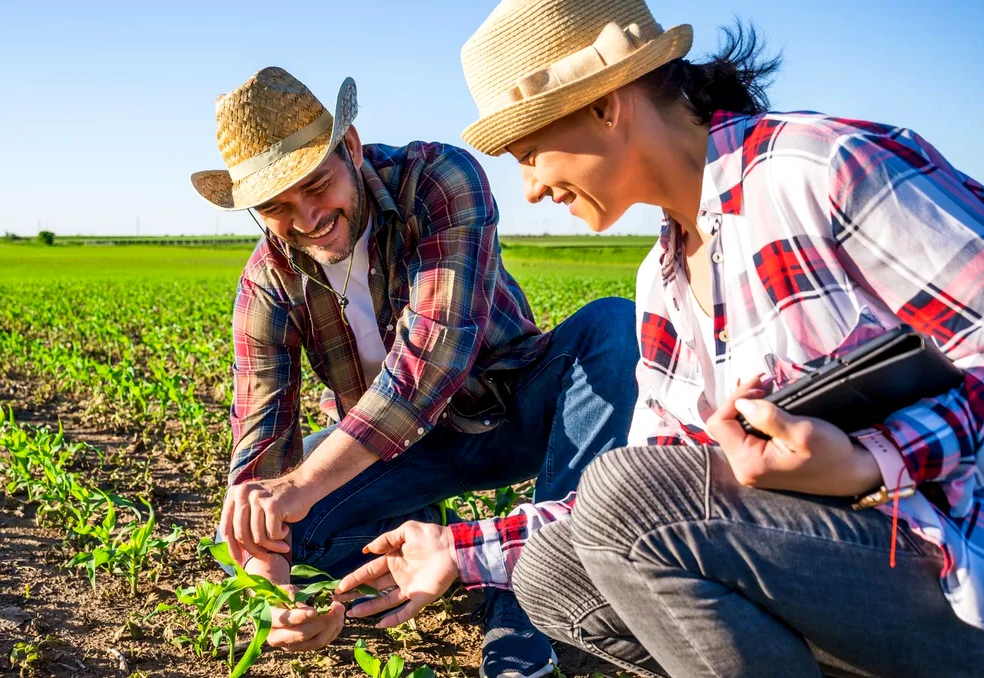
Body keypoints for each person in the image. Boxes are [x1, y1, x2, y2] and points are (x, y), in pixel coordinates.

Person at [334, 1, 984, 676]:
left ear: (604, 105)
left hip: (953, 571)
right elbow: (655, 483)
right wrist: (458, 550)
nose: (529, 189)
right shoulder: (662, 280)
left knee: (624, 498)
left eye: (528, 154)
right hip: (837, 569)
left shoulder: (822, 170)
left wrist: (870, 460)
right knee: (554, 572)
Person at [192, 66, 639, 675]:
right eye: (276, 207)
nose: (307, 217)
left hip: (510, 413)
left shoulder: (437, 180)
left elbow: (431, 361)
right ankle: (420, 547)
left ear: (350, 147)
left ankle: (526, 598)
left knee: (613, 326)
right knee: (249, 535)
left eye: (317, 184)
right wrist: (275, 588)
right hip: (395, 455)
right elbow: (260, 444)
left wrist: (299, 488)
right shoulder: (268, 282)